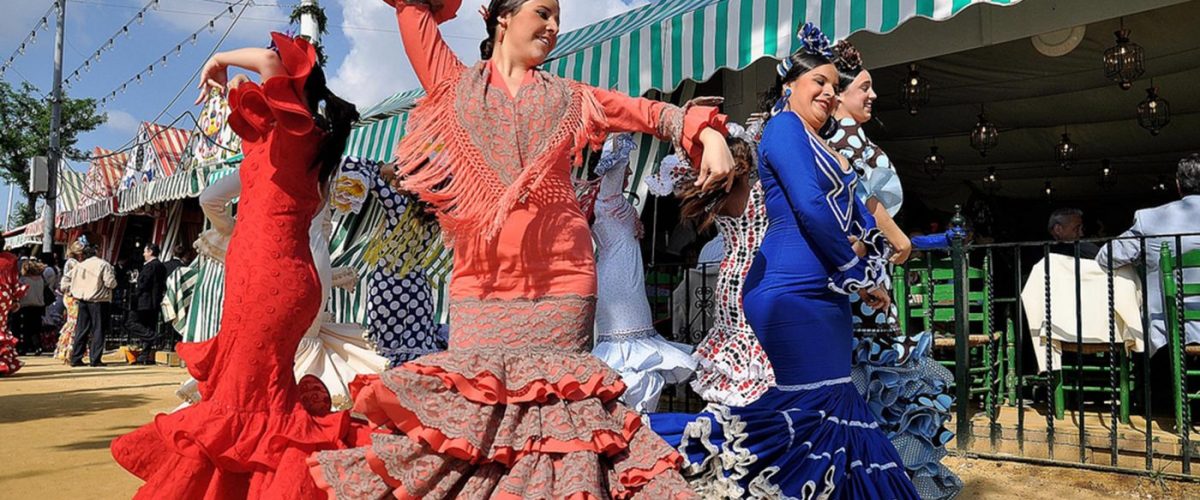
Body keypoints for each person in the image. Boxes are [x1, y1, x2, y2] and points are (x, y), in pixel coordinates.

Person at [306, 0, 734, 496]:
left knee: (557, 427)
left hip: (563, 279)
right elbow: (413, 13)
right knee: (475, 427)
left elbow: (648, 112)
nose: (553, 26)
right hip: (481, 283)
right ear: (502, 17)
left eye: (558, 17)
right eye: (543, 12)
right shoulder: (455, 85)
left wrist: (704, 130)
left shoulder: (572, 97)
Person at [651, 24, 919, 498]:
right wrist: (856, 274)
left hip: (824, 294)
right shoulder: (783, 129)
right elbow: (812, 208)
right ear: (788, 85)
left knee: (826, 413)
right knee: (815, 414)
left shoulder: (823, 144)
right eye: (819, 81)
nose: (829, 92)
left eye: (835, 86)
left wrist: (873, 275)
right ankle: (662, 449)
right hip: (789, 293)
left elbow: (855, 212)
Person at [111, 33, 362, 497]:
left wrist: (219, 57)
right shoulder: (274, 138)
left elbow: (267, 60)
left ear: (289, 88)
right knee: (248, 393)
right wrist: (224, 78)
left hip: (271, 281)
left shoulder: (297, 136)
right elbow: (256, 83)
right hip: (261, 277)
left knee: (246, 399)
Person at [830, 39, 961, 500]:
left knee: (864, 378)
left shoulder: (842, 136)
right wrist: (897, 236)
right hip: (864, 273)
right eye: (864, 87)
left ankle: (862, 478)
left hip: (866, 270)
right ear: (839, 94)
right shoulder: (844, 139)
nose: (873, 96)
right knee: (875, 377)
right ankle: (878, 481)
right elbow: (861, 194)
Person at [652, 119, 779, 407]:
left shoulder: (716, 198)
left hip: (728, 277)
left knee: (735, 349)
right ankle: (757, 416)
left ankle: (732, 414)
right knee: (758, 353)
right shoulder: (757, 194)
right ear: (746, 166)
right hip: (756, 277)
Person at [588, 134, 696, 414]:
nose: (631, 173)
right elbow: (614, 164)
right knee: (627, 349)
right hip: (617, 281)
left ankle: (637, 413)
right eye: (627, 170)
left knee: (638, 347)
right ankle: (628, 413)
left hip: (626, 277)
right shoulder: (606, 199)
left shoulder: (613, 201)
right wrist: (622, 130)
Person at [338, 157, 447, 367]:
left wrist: (388, 168)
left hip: (388, 284)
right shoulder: (436, 215)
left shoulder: (398, 205)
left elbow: (355, 165)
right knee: (417, 353)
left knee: (384, 352)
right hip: (417, 287)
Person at [1098, 154, 1200, 355]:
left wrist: (1141, 258)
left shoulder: (1152, 220)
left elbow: (1106, 257)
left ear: (1178, 185)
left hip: (1170, 334)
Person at [67, 245, 117, 367]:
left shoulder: (79, 266)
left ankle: (76, 357)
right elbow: (110, 283)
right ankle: (95, 359)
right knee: (98, 330)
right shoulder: (103, 264)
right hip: (98, 301)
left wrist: (71, 290)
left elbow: (66, 279)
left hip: (82, 300)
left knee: (81, 329)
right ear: (96, 252)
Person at [130, 243, 168, 365]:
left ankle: (154, 337)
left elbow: (144, 283)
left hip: (144, 300)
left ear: (150, 252)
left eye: (145, 251)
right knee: (149, 325)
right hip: (154, 300)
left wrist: (136, 288)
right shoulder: (161, 266)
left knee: (131, 322)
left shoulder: (151, 266)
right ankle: (145, 354)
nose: (143, 254)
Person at [53, 241, 85, 363]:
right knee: (74, 323)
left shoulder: (69, 262)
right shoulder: (74, 263)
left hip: (69, 295)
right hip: (73, 295)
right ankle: (70, 351)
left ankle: (66, 351)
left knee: (71, 322)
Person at [0, 235, 27, 377]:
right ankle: (2, 362)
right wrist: (16, 299)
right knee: (1, 328)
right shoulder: (10, 259)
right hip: (3, 297)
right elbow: (14, 281)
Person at [15, 259, 48, 355]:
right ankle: (38, 346)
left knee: (24, 329)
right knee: (35, 328)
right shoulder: (41, 279)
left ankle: (23, 348)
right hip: (38, 306)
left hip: (26, 306)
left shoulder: (23, 280)